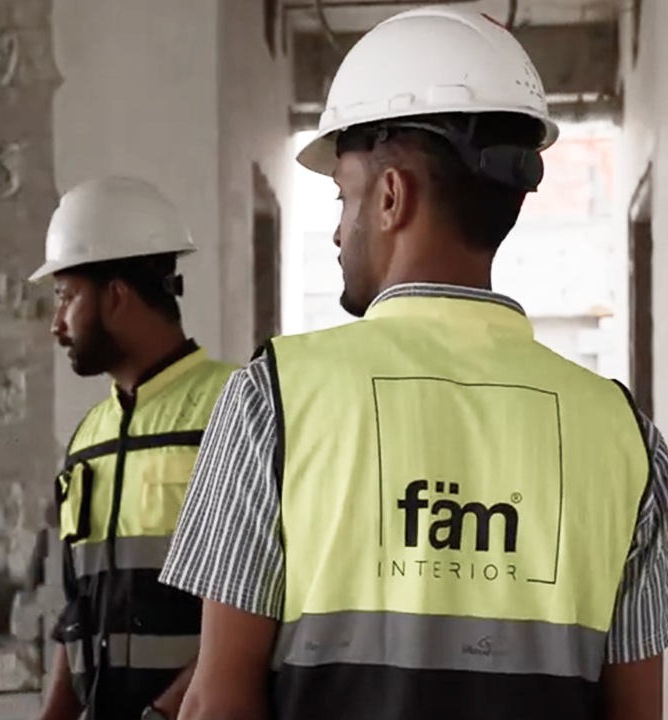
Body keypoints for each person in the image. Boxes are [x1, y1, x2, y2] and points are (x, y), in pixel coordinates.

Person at [159, 7, 668, 720]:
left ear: (392, 196)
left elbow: (217, 703)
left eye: (343, 196)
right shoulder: (625, 437)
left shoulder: (272, 401)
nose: (339, 229)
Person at [29, 176, 237, 720]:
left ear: (117, 295)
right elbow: (77, 609)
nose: (56, 324)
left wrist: (167, 714)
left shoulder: (237, 408)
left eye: (66, 297)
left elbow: (265, 600)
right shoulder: (87, 440)